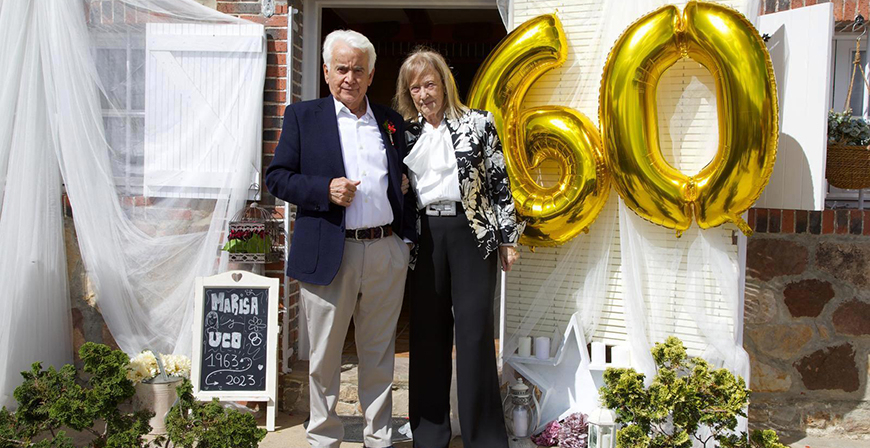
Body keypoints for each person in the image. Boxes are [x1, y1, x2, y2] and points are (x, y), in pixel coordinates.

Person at [265, 29, 415, 448]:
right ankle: (323, 437)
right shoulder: (303, 116)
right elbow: (276, 178)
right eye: (342, 68)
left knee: (379, 352)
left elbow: (405, 182)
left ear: (371, 75)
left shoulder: (390, 121)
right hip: (331, 249)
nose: (350, 77)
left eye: (359, 70)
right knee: (326, 356)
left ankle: (379, 435)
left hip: (385, 250)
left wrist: (404, 240)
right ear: (326, 72)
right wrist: (323, 189)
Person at [394, 48, 520, 448]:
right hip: (427, 236)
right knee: (428, 337)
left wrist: (508, 239)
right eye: (414, 88)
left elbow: (500, 183)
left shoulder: (479, 124)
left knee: (475, 335)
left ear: (445, 83)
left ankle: (483, 437)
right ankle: (429, 434)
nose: (423, 94)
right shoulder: (406, 132)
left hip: (472, 234)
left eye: (429, 84)